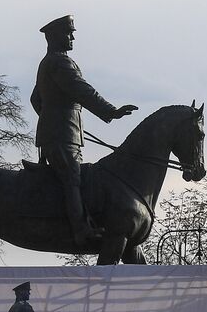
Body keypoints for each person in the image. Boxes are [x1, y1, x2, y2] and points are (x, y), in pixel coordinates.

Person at [29, 15, 137, 246]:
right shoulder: (59, 63)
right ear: (56, 36)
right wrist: (111, 111)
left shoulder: (50, 62)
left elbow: (35, 99)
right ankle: (81, 230)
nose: (73, 37)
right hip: (62, 134)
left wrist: (51, 119)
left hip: (61, 132)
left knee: (71, 177)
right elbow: (82, 91)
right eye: (69, 33)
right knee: (72, 178)